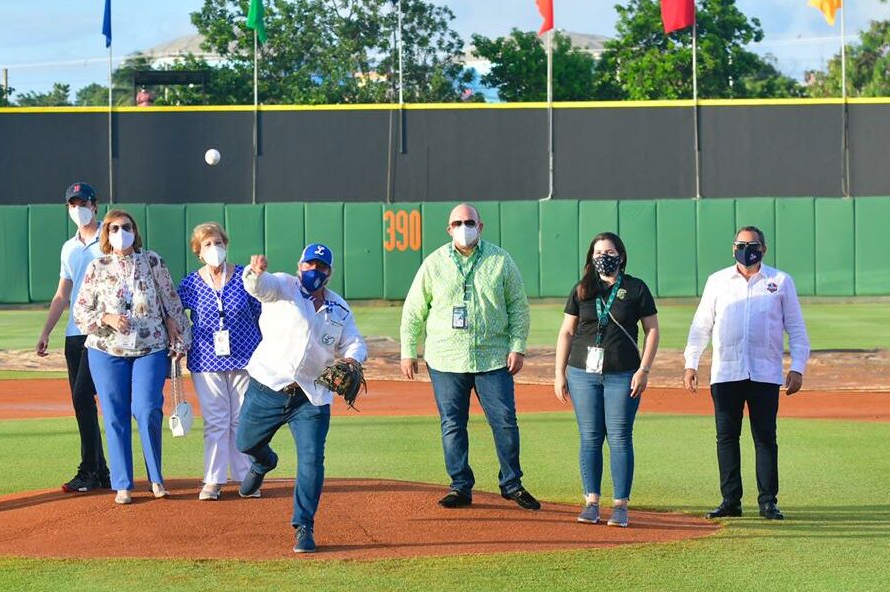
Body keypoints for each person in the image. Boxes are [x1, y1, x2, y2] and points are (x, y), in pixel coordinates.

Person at [399, 203, 540, 511]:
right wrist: (408, 351)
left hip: (492, 358)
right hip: (446, 359)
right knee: (452, 424)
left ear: (481, 226)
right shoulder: (434, 263)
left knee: (504, 421)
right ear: (449, 229)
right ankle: (460, 486)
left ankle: (512, 484)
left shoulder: (500, 261)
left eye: (470, 222)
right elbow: (413, 310)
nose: (465, 227)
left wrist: (517, 346)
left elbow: (518, 306)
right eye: (458, 223)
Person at [236, 244, 367, 554]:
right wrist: (255, 272)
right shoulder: (283, 286)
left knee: (311, 460)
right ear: (299, 265)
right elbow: (258, 288)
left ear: (329, 273)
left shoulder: (339, 309)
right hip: (268, 385)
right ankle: (264, 461)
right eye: (310, 264)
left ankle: (303, 526)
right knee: (245, 443)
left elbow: (355, 341)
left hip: (311, 395)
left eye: (321, 267)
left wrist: (352, 360)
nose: (315, 271)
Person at [684, 226, 809, 521]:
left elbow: (797, 329)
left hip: (765, 372)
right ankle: (730, 500)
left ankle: (768, 501)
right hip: (727, 371)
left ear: (764, 249)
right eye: (741, 244)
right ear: (733, 248)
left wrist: (798, 368)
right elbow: (701, 325)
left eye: (752, 244)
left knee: (765, 437)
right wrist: (692, 362)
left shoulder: (779, 282)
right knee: (726, 437)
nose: (746, 249)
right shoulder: (718, 282)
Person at [73, 209, 189, 505]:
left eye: (125, 227)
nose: (120, 232)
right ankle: (122, 483)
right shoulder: (97, 266)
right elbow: (81, 312)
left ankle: (155, 478)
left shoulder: (152, 261)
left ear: (135, 231)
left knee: (148, 408)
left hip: (149, 346)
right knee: (115, 414)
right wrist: (107, 317)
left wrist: (180, 338)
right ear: (106, 234)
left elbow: (172, 304)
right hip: (106, 350)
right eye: (113, 228)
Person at [553, 232, 659, 528]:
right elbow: (566, 332)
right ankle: (591, 502)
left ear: (621, 256)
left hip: (623, 373)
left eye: (609, 251)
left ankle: (621, 505)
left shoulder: (636, 288)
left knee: (620, 437)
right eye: (598, 252)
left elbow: (652, 330)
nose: (604, 256)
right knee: (589, 437)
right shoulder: (583, 289)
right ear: (591, 257)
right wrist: (558, 372)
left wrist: (644, 369)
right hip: (582, 373)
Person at [177, 222, 262, 501]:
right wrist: (177, 343)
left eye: (218, 243)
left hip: (246, 356)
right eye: (207, 245)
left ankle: (244, 478)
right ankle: (213, 480)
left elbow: (262, 311)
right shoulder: (189, 283)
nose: (214, 249)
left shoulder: (243, 277)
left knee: (241, 419)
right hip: (206, 358)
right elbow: (177, 317)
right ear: (198, 252)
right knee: (216, 420)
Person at [36, 182, 111, 493]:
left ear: (95, 205)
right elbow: (62, 293)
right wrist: (46, 331)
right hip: (74, 333)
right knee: (81, 402)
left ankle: (90, 469)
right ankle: (100, 470)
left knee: (86, 397)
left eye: (83, 202)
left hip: (103, 331)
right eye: (72, 203)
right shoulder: (69, 247)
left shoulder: (111, 237)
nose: (78, 208)